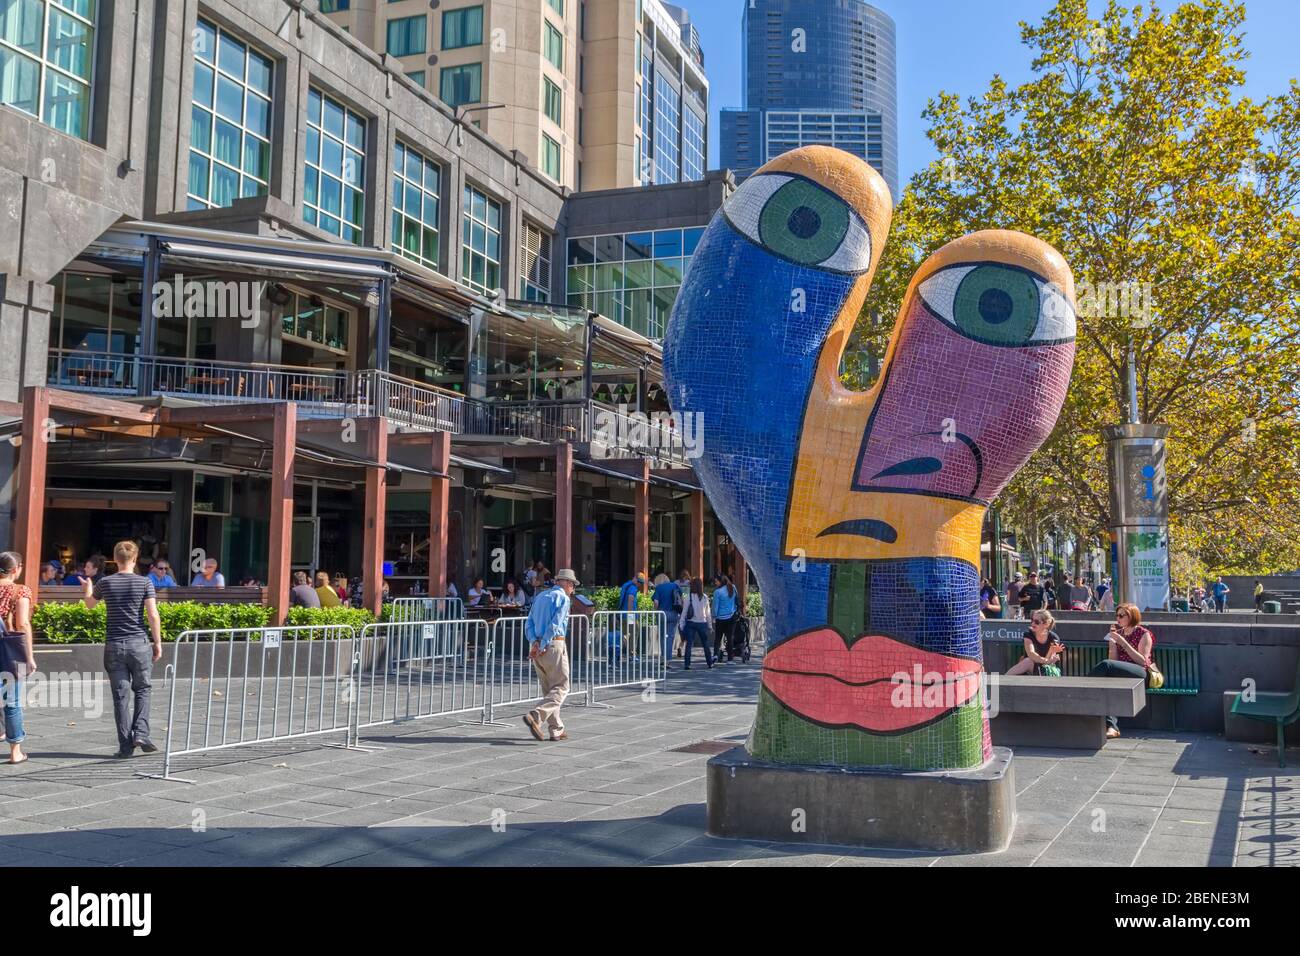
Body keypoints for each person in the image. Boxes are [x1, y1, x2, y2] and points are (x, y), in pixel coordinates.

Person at [82, 540, 162, 758]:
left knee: (120, 697)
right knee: (143, 689)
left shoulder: (105, 583)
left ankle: (125, 746)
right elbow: (153, 615)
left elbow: (90, 605)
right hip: (139, 643)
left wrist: (88, 589)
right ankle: (142, 733)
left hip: (114, 645)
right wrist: (158, 642)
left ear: (115, 559)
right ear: (135, 559)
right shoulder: (145, 583)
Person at [522, 568, 578, 742]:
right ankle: (536, 715)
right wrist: (544, 643)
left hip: (537, 646)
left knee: (549, 691)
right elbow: (556, 623)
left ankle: (556, 729)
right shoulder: (563, 598)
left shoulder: (540, 597)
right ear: (567, 583)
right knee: (562, 687)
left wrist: (535, 643)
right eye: (573, 585)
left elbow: (529, 622)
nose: (573, 589)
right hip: (554, 644)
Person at [1089, 602, 1155, 739]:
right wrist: (1112, 645)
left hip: (1141, 673)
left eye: (1121, 615)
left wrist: (1123, 643)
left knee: (1106, 666)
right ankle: (1112, 727)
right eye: (1116, 615)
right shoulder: (1118, 634)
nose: (1118, 618)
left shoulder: (1143, 633)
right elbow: (1114, 661)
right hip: (1122, 672)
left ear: (1131, 616)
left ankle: (1082, 689)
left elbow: (1143, 661)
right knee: (1106, 685)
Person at [0, 552, 37, 764]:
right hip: (9, 651)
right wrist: (29, 657)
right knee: (12, 701)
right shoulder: (20, 591)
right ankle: (15, 752)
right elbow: (22, 624)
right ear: (16, 569)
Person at [1005, 610, 1065, 676]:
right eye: (1032, 620)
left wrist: (1051, 652)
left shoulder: (1053, 638)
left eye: (1036, 622)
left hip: (1045, 671)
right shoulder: (1028, 634)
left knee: (1027, 661)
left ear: (1046, 624)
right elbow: (1031, 654)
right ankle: (1002, 681)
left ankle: (1001, 681)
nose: (1032, 624)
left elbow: (1048, 663)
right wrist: (1046, 660)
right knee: (1028, 661)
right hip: (1030, 667)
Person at [676, 578, 714, 669]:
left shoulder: (688, 597)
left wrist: (681, 624)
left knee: (689, 644)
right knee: (705, 644)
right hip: (702, 623)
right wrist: (710, 626)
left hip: (691, 623)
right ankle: (710, 663)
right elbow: (708, 613)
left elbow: (684, 612)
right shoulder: (705, 597)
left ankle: (687, 664)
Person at [652, 572, 681, 665]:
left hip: (662, 614)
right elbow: (681, 600)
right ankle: (668, 659)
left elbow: (656, 602)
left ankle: (663, 658)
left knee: (662, 637)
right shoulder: (675, 585)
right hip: (673, 614)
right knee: (670, 637)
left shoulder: (659, 588)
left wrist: (654, 611)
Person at [616, 573, 646, 661]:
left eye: (641, 583)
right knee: (634, 634)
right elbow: (630, 599)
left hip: (623, 614)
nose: (639, 584)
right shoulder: (632, 587)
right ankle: (632, 655)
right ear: (635, 578)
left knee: (624, 635)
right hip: (630, 615)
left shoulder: (626, 585)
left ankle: (617, 653)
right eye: (639, 582)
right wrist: (630, 614)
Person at [712, 574, 739, 662]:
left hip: (720, 618)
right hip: (731, 616)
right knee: (730, 638)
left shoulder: (717, 592)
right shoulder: (733, 588)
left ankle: (715, 655)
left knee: (718, 638)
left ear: (721, 581)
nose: (715, 583)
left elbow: (715, 607)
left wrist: (714, 616)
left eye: (716, 581)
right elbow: (736, 601)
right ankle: (730, 659)